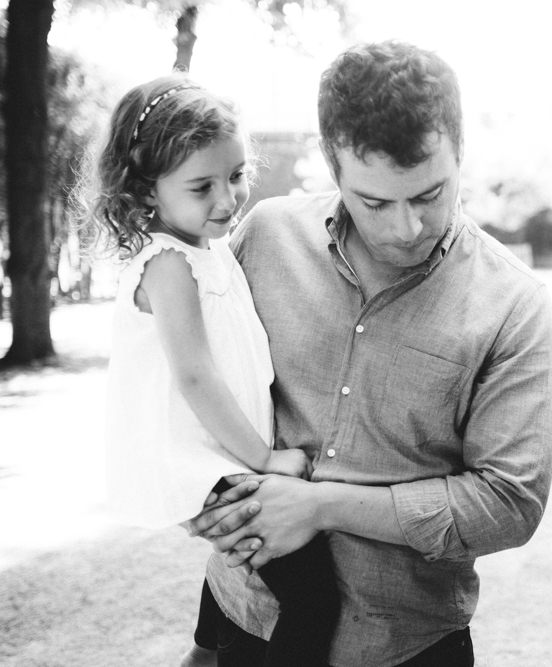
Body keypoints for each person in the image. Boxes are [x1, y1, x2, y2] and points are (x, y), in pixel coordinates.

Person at [183, 41, 552, 667]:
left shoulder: (514, 304)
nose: (405, 228)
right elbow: (196, 383)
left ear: (461, 154)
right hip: (246, 607)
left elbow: (510, 505)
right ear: (332, 166)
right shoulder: (266, 235)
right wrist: (199, 497)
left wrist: (321, 506)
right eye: (376, 202)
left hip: (404, 644)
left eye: (429, 195)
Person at [81, 75, 338, 667]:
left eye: (236, 175)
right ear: (147, 191)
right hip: (207, 463)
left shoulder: (208, 246)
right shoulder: (168, 262)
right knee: (312, 598)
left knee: (238, 571)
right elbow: (196, 377)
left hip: (222, 456)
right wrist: (265, 459)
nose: (227, 200)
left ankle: (201, 657)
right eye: (203, 187)